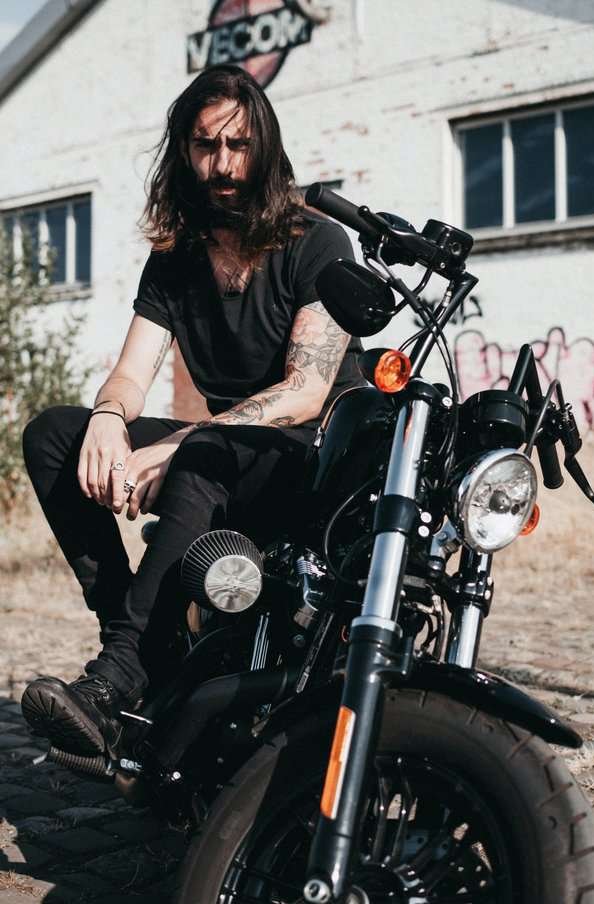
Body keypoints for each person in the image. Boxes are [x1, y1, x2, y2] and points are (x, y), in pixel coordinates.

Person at [21, 64, 363, 757]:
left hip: (315, 462)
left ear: (263, 149)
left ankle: (118, 679)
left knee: (202, 450)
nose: (224, 164)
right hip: (222, 453)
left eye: (238, 146)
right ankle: (148, 641)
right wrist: (111, 422)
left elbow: (305, 391)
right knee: (55, 434)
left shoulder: (318, 243)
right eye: (207, 147)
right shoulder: (176, 260)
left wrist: (178, 444)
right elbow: (128, 373)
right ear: (184, 153)